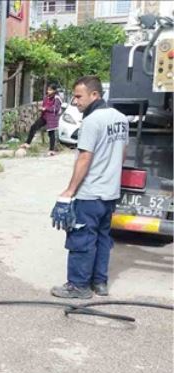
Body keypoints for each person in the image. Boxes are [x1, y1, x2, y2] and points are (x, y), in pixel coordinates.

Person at [50, 76, 128, 299]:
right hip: (110, 193)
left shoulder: (92, 121)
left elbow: (85, 157)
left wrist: (70, 190)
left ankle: (78, 286)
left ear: (94, 95)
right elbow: (122, 154)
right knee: (102, 238)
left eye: (78, 96)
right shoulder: (121, 119)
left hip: (90, 193)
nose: (75, 102)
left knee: (81, 237)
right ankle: (99, 283)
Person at [20, 83, 63, 156]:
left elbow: (56, 108)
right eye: (48, 90)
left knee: (51, 133)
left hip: (52, 118)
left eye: (50, 90)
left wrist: (46, 108)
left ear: (54, 91)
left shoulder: (57, 98)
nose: (48, 91)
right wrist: (42, 109)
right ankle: (27, 143)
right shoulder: (47, 97)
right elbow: (44, 105)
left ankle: (51, 150)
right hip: (44, 116)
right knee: (34, 127)